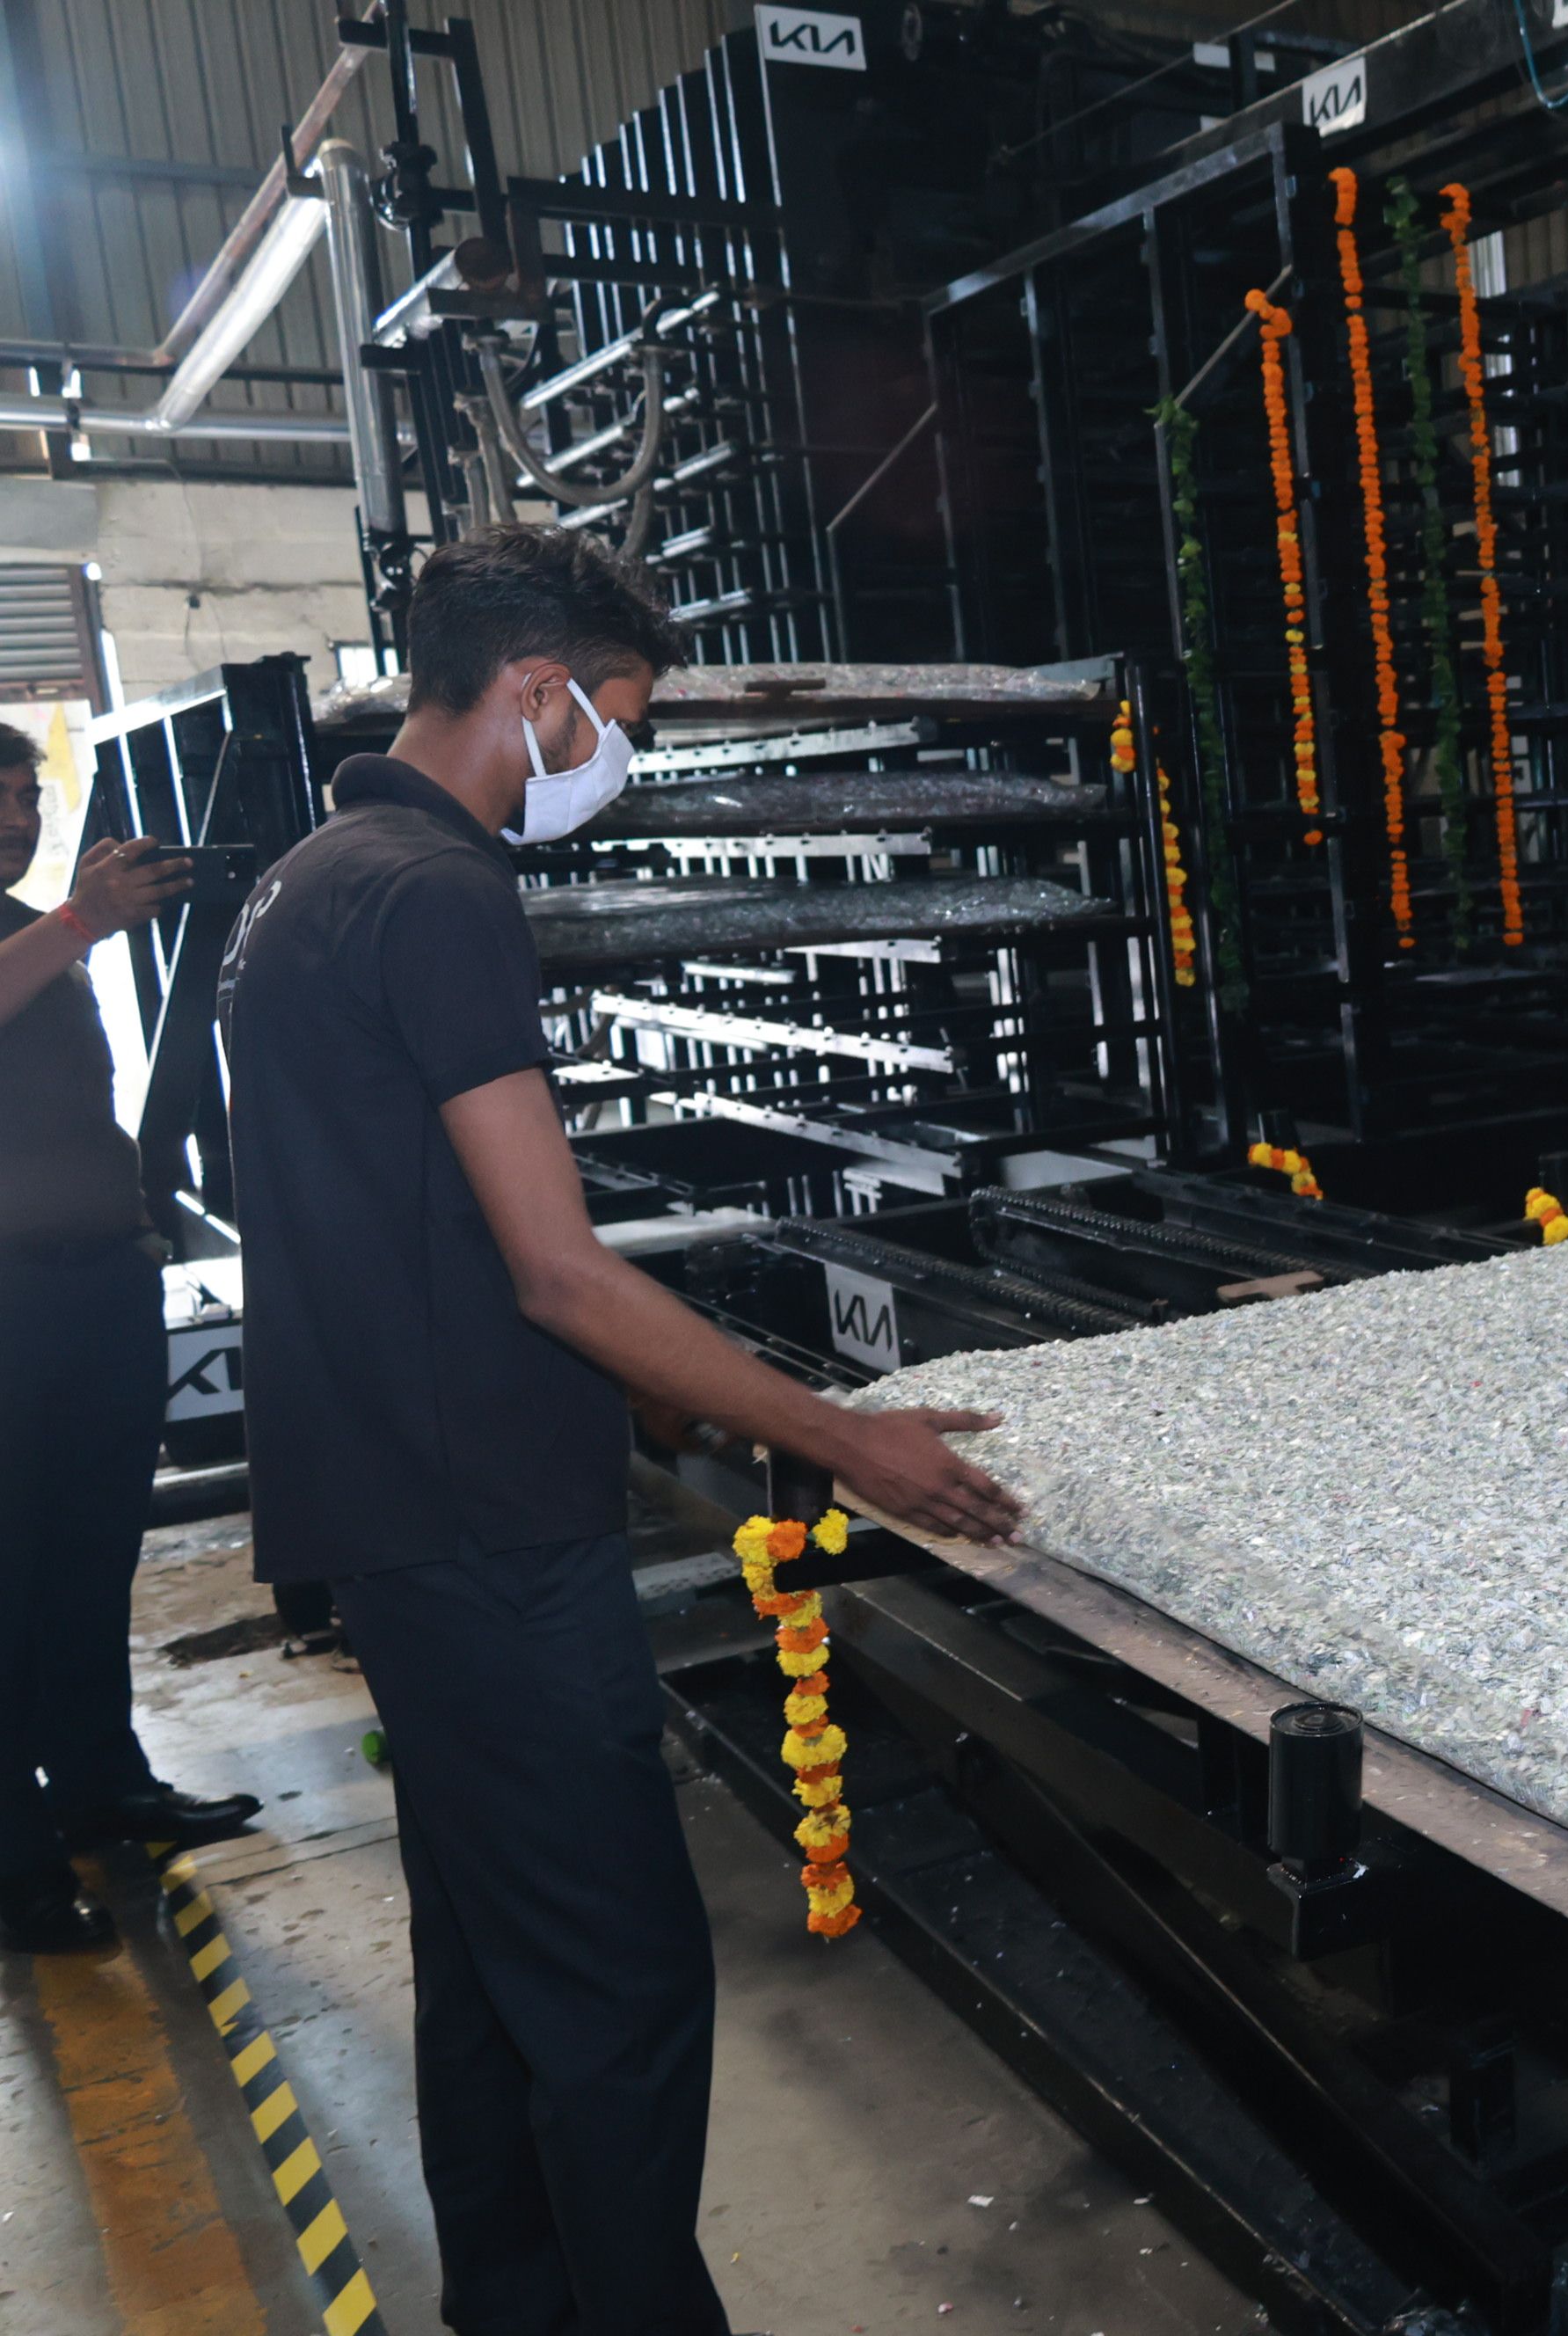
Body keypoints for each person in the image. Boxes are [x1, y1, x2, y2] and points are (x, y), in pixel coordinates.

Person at [217, 525, 1024, 2332]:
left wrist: (683, 1392)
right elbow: (557, 1273)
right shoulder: (439, 895)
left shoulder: (314, 874)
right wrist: (847, 1431)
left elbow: (408, 1222)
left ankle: (516, 2303)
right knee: (620, 1991)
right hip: (490, 1534)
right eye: (619, 713)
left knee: (497, 1968)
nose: (617, 755)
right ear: (533, 690)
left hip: (399, 1517)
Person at [0, 728, 265, 1953]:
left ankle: (104, 1787)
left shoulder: (28, 933)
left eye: (23, 795)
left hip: (93, 1292)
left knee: (89, 1559)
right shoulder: (39, 938)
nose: (15, 816)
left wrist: (137, 1225)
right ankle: (16, 1870)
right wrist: (77, 919)